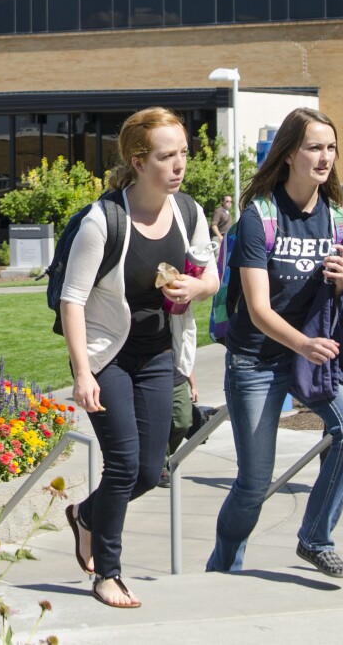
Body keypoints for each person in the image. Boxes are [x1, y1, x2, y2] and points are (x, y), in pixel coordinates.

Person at [62, 107, 219, 609]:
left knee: (153, 471)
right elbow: (73, 299)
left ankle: (86, 516)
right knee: (125, 464)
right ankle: (108, 573)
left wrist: (196, 286)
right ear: (138, 161)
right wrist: (83, 373)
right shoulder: (103, 221)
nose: (179, 166)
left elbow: (211, 276)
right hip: (107, 356)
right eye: (167, 156)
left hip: (156, 354)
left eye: (184, 155)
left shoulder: (188, 212)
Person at [208, 106, 343, 579]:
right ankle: (223, 568)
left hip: (313, 355)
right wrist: (303, 345)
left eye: (331, 148)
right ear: (290, 155)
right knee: (254, 484)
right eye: (315, 147)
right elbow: (258, 310)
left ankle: (316, 537)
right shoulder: (261, 215)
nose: (326, 157)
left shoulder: (339, 217)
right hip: (257, 359)